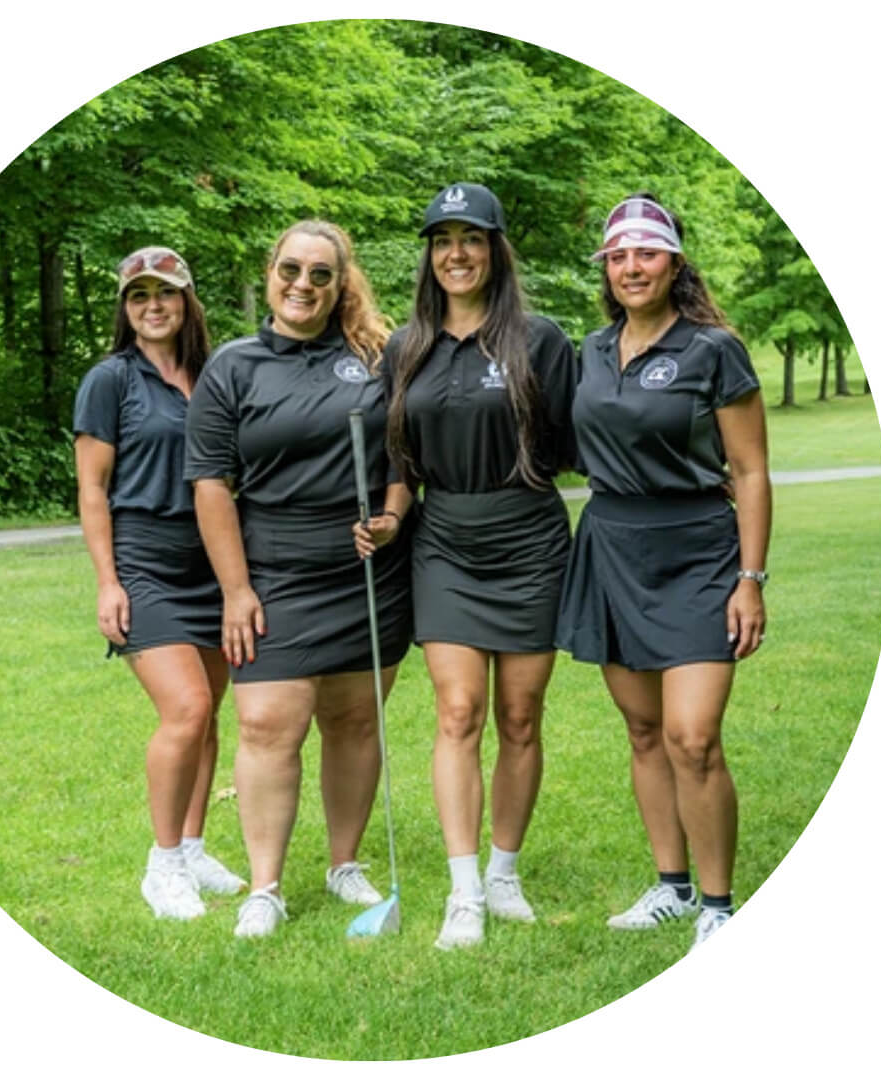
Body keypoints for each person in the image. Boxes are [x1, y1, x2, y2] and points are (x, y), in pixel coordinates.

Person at [353, 183, 577, 950]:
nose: (456, 253)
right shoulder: (404, 347)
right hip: (444, 541)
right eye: (443, 240)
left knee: (520, 716)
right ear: (430, 254)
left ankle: (504, 873)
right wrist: (387, 520)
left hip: (528, 539)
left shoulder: (540, 340)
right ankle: (464, 892)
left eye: (471, 239)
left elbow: (582, 442)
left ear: (495, 249)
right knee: (458, 713)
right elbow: (397, 466)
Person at [555, 193, 771, 952]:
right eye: (616, 256)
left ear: (674, 261)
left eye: (645, 253)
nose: (629, 267)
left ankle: (718, 905)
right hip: (612, 545)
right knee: (645, 731)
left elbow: (748, 471)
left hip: (698, 552)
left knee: (692, 736)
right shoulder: (589, 349)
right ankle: (671, 887)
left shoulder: (714, 349)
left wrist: (751, 578)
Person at [184, 220, 412, 939]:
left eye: (320, 274)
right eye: (291, 269)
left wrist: (393, 516)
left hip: (365, 569)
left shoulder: (377, 358)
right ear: (271, 270)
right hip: (272, 570)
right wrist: (236, 589)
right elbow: (211, 485)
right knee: (264, 724)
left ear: (342, 285)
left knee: (352, 720)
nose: (302, 285)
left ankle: (344, 863)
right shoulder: (233, 366)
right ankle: (266, 886)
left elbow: (407, 462)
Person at [74, 246, 246, 921]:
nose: (153, 305)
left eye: (166, 293)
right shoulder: (111, 380)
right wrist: (107, 581)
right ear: (125, 307)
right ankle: (163, 863)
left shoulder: (212, 376)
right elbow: (92, 489)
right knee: (186, 711)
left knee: (209, 714)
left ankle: (196, 849)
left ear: (186, 301)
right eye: (138, 295)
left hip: (214, 564)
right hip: (144, 563)